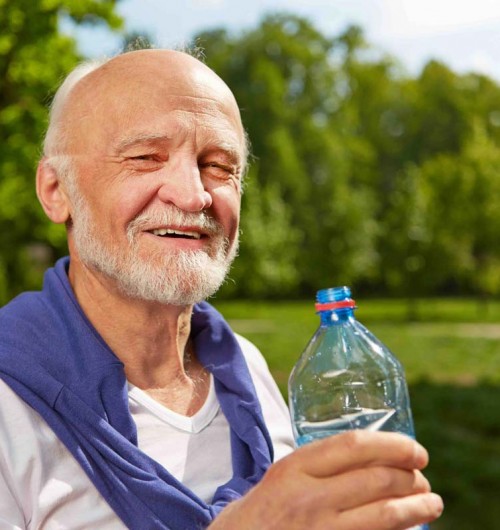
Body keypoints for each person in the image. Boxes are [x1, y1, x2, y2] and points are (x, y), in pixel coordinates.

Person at [0, 49, 443, 529]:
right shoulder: (10, 402)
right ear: (55, 189)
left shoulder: (246, 366)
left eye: (218, 165)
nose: (193, 196)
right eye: (146, 157)